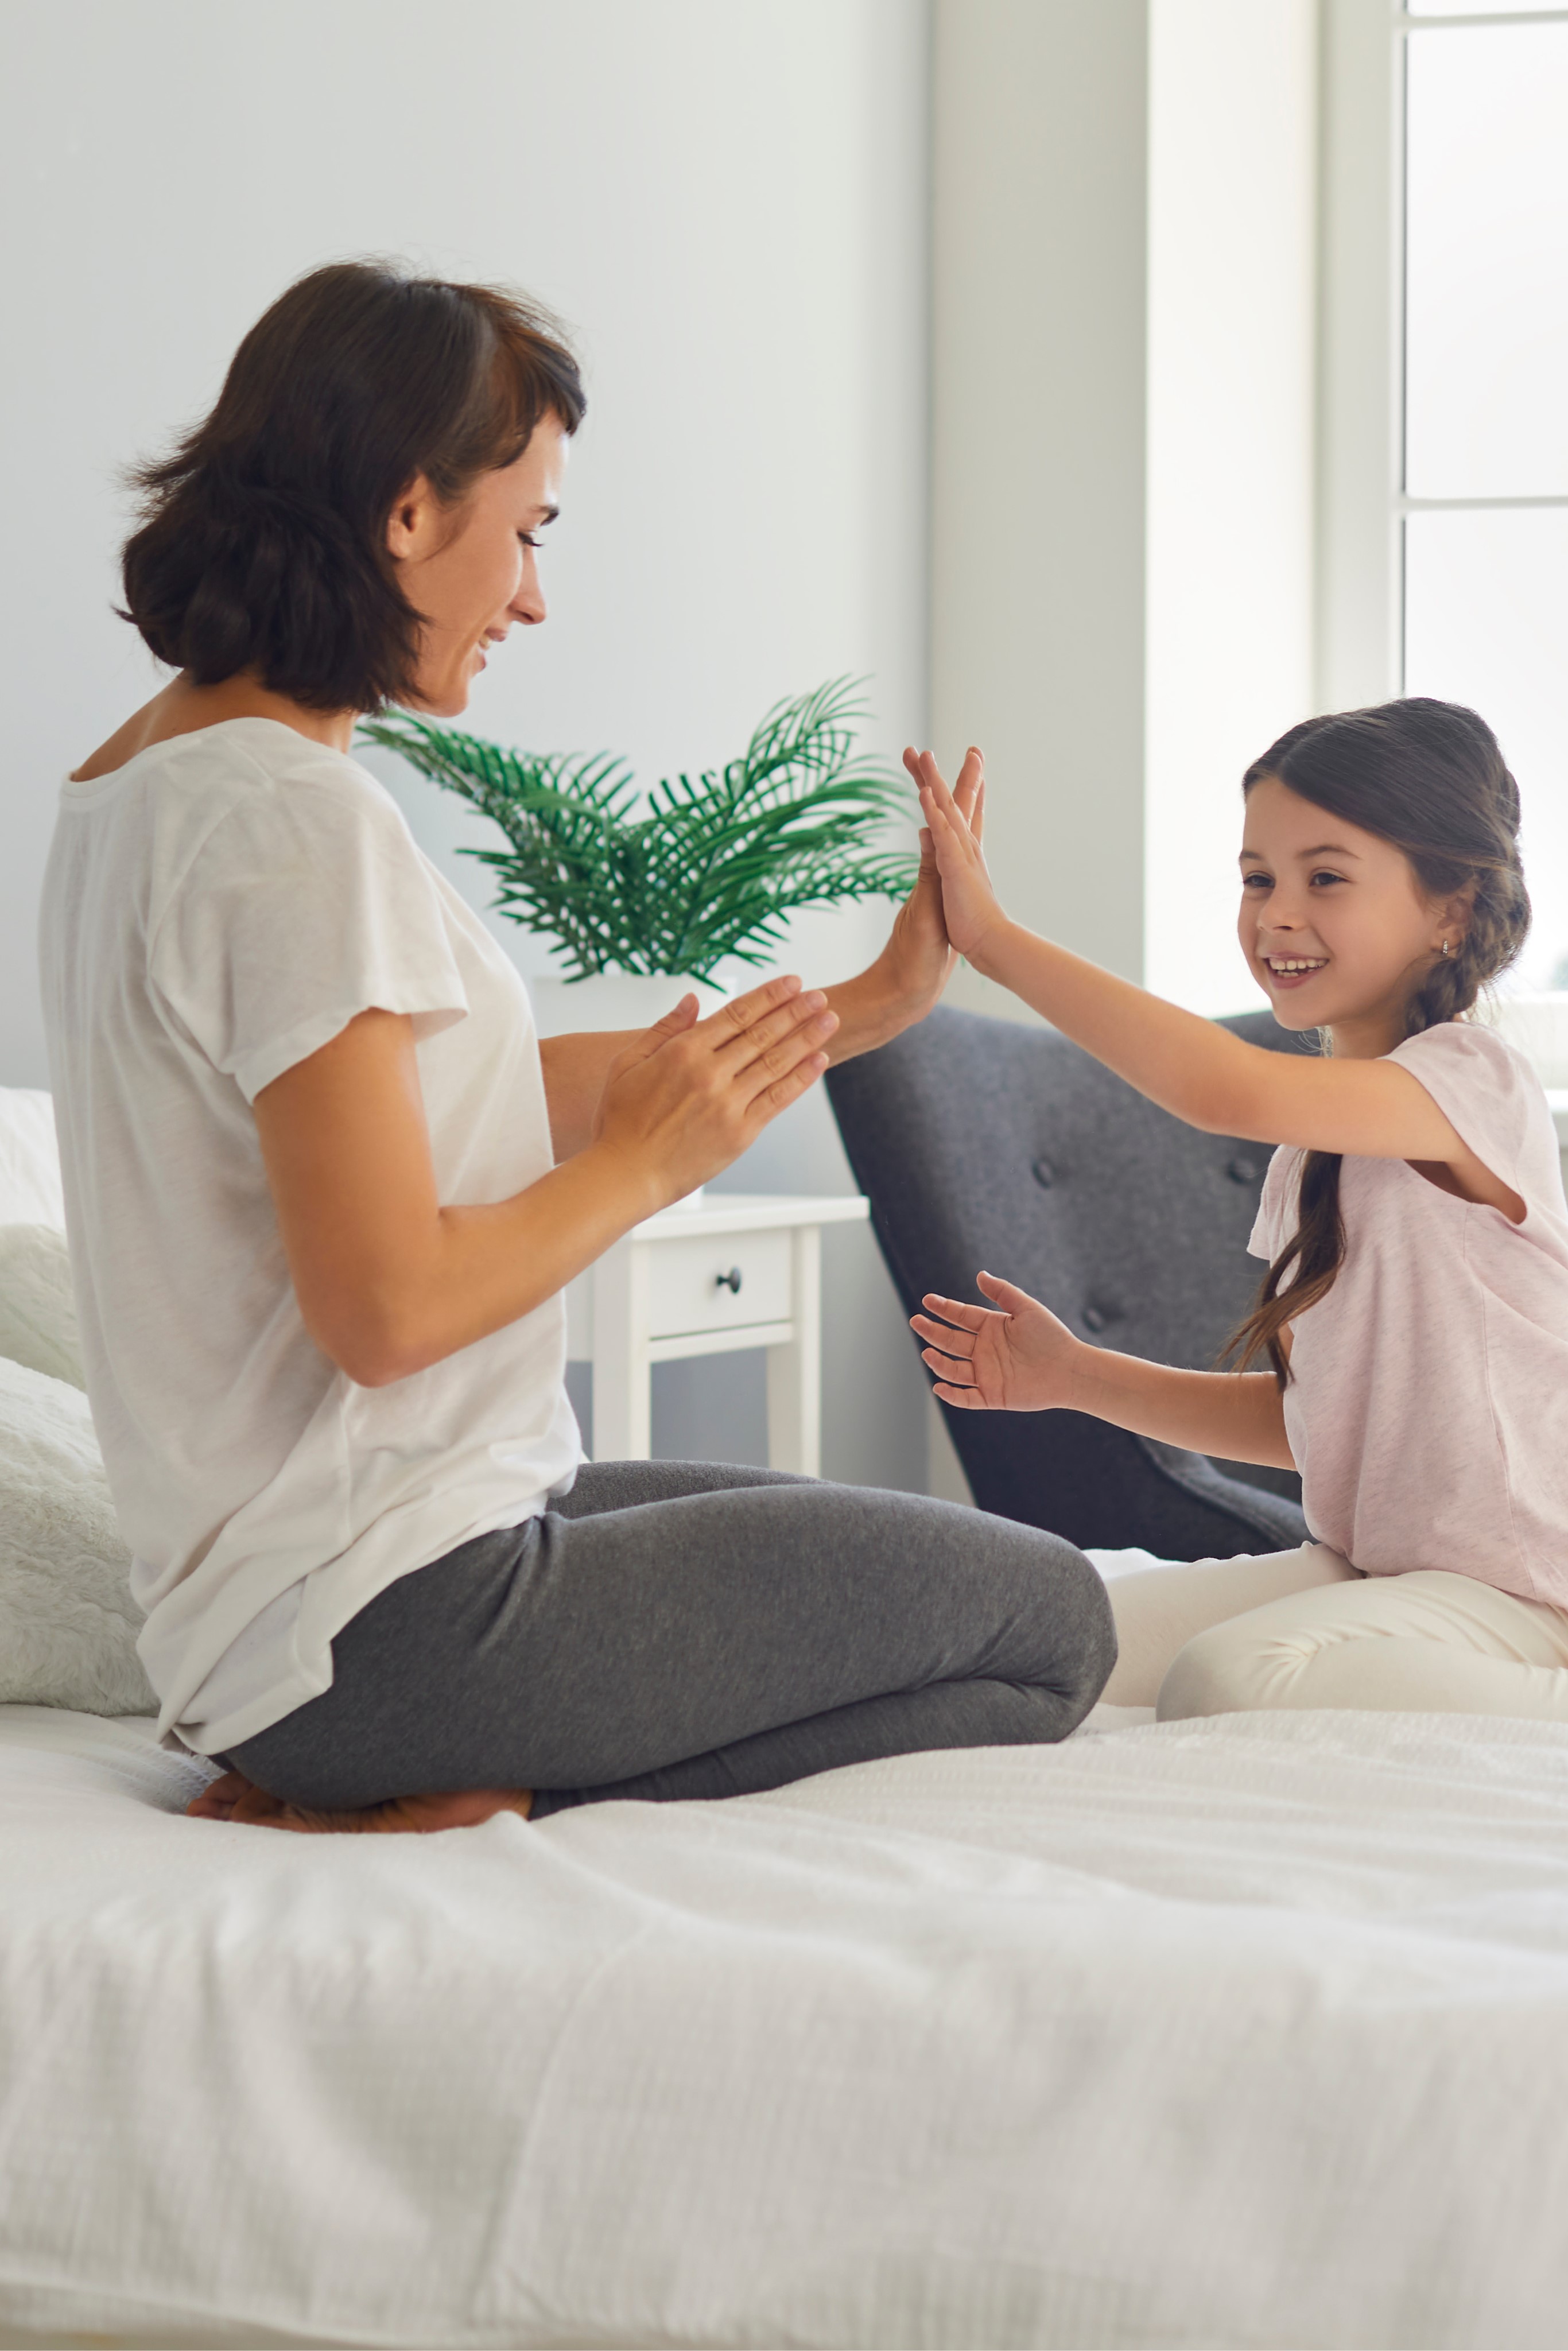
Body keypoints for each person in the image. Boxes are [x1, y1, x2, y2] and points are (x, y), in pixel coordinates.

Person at [41, 260, 1113, 1834]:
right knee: (1051, 1628)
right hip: (388, 1625)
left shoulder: (143, 786)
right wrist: (640, 1168)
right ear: (408, 512)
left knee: (891, 1552)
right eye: (528, 529)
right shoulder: (291, 821)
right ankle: (471, 1784)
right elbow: (388, 1308)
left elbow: (442, 1106)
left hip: (291, 1630)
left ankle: (363, 1775)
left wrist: (871, 1008)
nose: (533, 595)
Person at [909, 699, 1568, 1721]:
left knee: (1226, 1680)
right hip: (1373, 1574)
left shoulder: (1470, 1083)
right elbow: (1323, 1426)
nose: (1277, 915)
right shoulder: (1317, 1142)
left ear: (1451, 907)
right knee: (1055, 1644)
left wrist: (994, 942)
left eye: (1327, 878)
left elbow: (1222, 1087)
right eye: (1258, 878)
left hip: (1522, 1593)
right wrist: (1075, 1377)